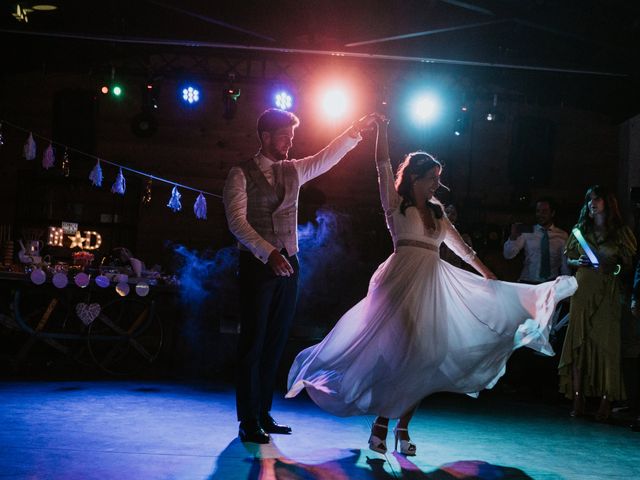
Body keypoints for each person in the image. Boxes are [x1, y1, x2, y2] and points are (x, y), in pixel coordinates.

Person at [286, 116, 577, 455]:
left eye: (439, 178)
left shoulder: (438, 212)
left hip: (431, 286)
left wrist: (488, 276)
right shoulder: (395, 205)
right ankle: (382, 423)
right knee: (407, 355)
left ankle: (401, 427)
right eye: (431, 178)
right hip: (398, 284)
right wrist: (381, 131)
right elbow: (382, 164)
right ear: (413, 178)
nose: (437, 184)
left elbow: (462, 249)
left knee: (428, 357)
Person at [223, 108, 378, 444]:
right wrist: (269, 252)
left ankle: (263, 413)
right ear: (265, 136)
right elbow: (237, 223)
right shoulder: (240, 173)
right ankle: (247, 420)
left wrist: (355, 129)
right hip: (257, 265)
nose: (290, 143)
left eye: (292, 137)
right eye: (284, 136)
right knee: (252, 344)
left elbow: (327, 157)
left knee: (276, 342)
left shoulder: (294, 170)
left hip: (290, 264)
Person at [558, 185, 636, 421]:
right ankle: (578, 398)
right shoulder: (581, 230)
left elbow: (628, 265)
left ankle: (605, 400)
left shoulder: (620, 232)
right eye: (589, 199)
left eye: (597, 199)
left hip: (608, 290)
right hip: (583, 288)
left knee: (606, 344)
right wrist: (578, 260)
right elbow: (568, 257)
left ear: (607, 203)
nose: (592, 203)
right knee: (578, 342)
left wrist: (614, 268)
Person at [503, 198, 570, 284]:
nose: (540, 214)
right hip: (527, 281)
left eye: (544, 211)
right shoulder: (527, 232)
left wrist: (566, 284)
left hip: (550, 283)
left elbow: (565, 264)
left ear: (552, 213)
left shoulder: (562, 235)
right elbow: (508, 255)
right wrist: (513, 236)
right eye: (538, 211)